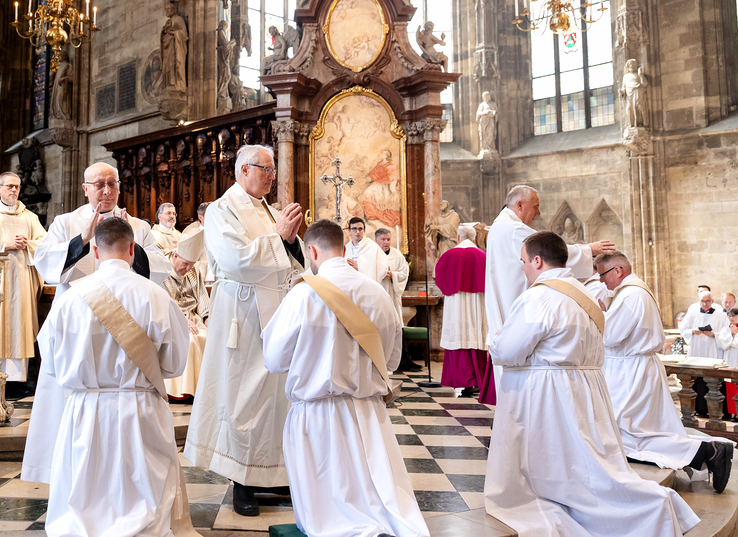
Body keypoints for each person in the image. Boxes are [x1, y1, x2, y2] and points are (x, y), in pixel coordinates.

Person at [486, 231, 700, 536]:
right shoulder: (584, 294)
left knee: (568, 468)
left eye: (523, 261)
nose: (522, 268)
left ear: (538, 260)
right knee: (587, 464)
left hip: (548, 393)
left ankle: (650, 510)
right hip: (583, 387)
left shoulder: (539, 296)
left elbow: (508, 350)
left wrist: (497, 341)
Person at [20, 218, 191, 536]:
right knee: (142, 489)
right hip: (140, 408)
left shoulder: (69, 299)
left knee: (86, 487)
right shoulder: (156, 296)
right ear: (132, 249)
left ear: (95, 251)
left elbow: (52, 363)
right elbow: (175, 364)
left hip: (85, 408)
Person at [262, 220, 429, 537]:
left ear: (311, 251)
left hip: (317, 416)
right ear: (343, 247)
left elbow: (274, 359)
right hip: (369, 413)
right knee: (376, 501)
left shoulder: (302, 296)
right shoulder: (377, 292)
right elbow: (392, 360)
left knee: (328, 517)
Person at [184, 144, 305, 517]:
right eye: (265, 169)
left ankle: (274, 474)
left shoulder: (268, 209)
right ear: (243, 170)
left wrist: (290, 241)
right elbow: (236, 261)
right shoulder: (223, 209)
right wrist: (280, 238)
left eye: (273, 170)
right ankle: (242, 481)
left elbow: (290, 260)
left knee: (276, 397)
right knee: (242, 398)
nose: (272, 176)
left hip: (276, 314)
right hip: (243, 314)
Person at [597, 252, 733, 491]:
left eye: (602, 274)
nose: (601, 281)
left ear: (617, 270)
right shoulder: (635, 291)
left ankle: (708, 451)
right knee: (638, 431)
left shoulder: (631, 294)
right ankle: (707, 452)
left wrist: (599, 315)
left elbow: (610, 336)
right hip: (636, 368)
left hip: (630, 373)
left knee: (629, 433)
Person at [485, 185, 614, 339]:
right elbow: (550, 251)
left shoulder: (499, 226)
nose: (538, 213)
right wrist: (588, 250)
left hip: (508, 305)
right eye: (535, 207)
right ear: (520, 205)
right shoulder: (513, 229)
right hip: (518, 307)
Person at [33, 162, 171, 300]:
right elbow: (44, 261)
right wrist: (82, 240)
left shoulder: (139, 226)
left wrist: (130, 245)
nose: (107, 191)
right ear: (85, 189)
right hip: (79, 305)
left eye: (112, 184)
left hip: (124, 305)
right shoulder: (64, 223)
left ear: (119, 187)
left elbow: (160, 270)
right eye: (99, 185)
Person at [0, 172, 47, 390]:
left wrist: (29, 244)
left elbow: (45, 243)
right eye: (9, 186)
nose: (13, 190)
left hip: (21, 281)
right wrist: (4, 245)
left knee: (19, 324)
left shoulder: (30, 217)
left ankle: (16, 381)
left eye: (17, 187)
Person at [435, 226, 494, 404]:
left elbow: (440, 279)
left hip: (456, 304)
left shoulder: (448, 255)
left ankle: (465, 381)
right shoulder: (483, 256)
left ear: (458, 238)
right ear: (474, 239)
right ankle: (478, 380)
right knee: (475, 337)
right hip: (477, 304)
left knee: (459, 337)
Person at [162, 231, 209, 400]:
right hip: (171, 319)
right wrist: (182, 321)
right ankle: (182, 393)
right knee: (190, 340)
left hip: (194, 317)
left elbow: (202, 297)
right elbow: (163, 301)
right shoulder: (162, 269)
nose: (188, 269)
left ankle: (202, 391)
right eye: (185, 264)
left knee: (208, 336)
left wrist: (207, 318)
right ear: (175, 256)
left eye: (192, 265)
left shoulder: (193, 270)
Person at [373, 227, 420, 372]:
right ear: (376, 240)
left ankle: (402, 360)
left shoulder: (397, 254)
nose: (386, 242)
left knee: (397, 326)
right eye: (383, 239)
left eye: (388, 239)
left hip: (392, 296)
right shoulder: (371, 254)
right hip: (377, 296)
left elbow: (404, 273)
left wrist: (392, 275)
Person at [680, 290, 727, 417]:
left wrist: (714, 334)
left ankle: (716, 410)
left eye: (707, 301)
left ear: (712, 301)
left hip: (713, 350)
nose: (705, 304)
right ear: (699, 301)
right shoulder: (692, 313)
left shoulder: (720, 315)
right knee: (698, 380)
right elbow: (683, 329)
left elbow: (726, 334)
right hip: (697, 351)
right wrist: (692, 331)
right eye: (702, 301)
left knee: (712, 379)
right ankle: (700, 408)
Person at [717, 308, 738, 420]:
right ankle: (733, 413)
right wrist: (731, 334)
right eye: (730, 316)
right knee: (731, 389)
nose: (732, 318)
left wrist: (735, 334)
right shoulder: (725, 329)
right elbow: (723, 345)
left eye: (734, 315)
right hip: (730, 362)